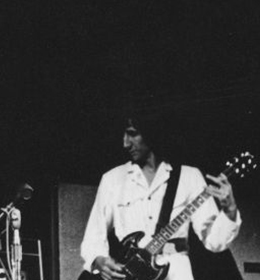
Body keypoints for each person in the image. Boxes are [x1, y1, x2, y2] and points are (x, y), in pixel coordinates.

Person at [80, 117, 242, 280]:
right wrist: (98, 260)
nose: (126, 143)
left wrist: (230, 210)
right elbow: (93, 237)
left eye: (132, 134)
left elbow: (214, 242)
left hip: (176, 271)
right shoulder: (112, 179)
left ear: (152, 131)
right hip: (129, 274)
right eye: (123, 135)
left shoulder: (189, 176)